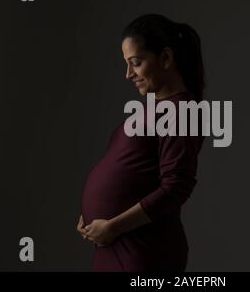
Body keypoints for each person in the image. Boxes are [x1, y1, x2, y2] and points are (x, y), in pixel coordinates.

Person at [77, 14, 205, 271]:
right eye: (126, 64)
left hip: (142, 250)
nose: (128, 74)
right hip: (115, 244)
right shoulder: (153, 109)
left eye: (135, 63)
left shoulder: (182, 112)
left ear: (166, 58)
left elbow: (176, 188)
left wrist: (112, 226)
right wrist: (92, 216)